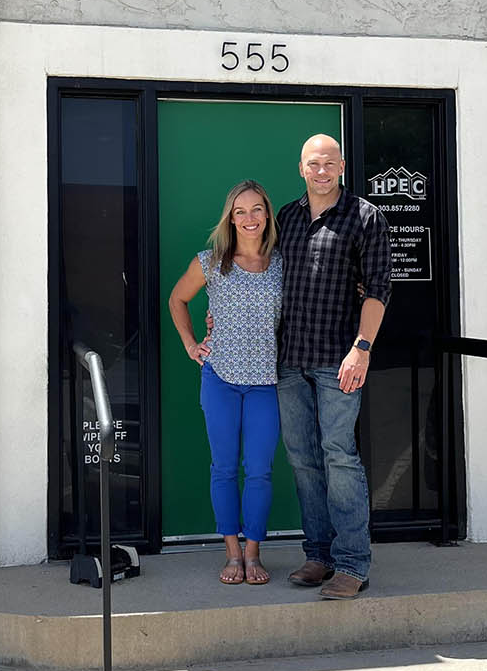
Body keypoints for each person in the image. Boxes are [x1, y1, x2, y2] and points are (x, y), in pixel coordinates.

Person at [276, 134, 392, 599]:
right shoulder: (286, 217)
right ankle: (319, 556)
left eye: (329, 163)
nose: (321, 171)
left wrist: (362, 348)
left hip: (338, 360)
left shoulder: (365, 216)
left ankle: (352, 563)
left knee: (339, 456)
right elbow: (266, 278)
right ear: (301, 168)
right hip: (289, 360)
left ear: (341, 166)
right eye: (313, 164)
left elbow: (378, 288)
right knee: (303, 460)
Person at [168, 180, 283, 586]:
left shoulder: (283, 263)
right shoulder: (211, 262)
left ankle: (253, 553)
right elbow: (177, 299)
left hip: (267, 382)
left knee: (260, 470)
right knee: (224, 468)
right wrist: (190, 344)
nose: (249, 218)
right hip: (220, 378)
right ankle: (232, 553)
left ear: (267, 214)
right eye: (240, 211)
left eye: (256, 209)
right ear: (230, 219)